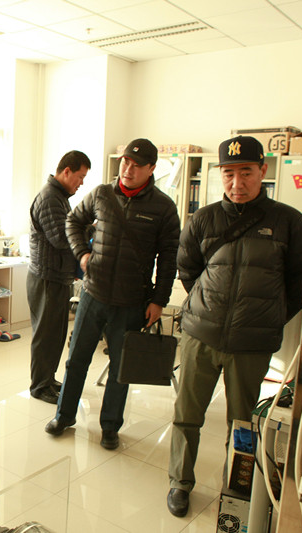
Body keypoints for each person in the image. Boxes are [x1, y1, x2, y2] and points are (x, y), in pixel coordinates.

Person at [167, 135, 302, 517]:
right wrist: (208, 308)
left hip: (252, 344)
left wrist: (267, 317)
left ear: (263, 170)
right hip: (201, 335)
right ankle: (180, 481)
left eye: (245, 172)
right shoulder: (203, 219)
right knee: (187, 415)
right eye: (229, 174)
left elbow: (299, 284)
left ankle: (237, 488)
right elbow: (188, 270)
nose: (237, 183)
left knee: (242, 423)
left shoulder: (290, 222)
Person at [44, 138, 180, 450]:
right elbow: (73, 221)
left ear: (151, 169)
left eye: (137, 165)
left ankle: (110, 427)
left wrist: (159, 300)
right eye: (125, 162)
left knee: (121, 368)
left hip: (131, 301)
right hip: (94, 293)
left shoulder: (163, 207)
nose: (128, 169)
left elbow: (169, 258)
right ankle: (64, 416)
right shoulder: (102, 194)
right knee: (76, 360)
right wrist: (81, 253)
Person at [27, 150, 90, 404]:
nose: (81, 183)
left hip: (57, 277)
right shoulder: (50, 198)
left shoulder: (60, 197)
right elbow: (61, 238)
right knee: (45, 336)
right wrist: (89, 230)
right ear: (66, 171)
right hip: (46, 278)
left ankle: (48, 378)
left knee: (55, 334)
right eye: (80, 176)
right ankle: (39, 386)